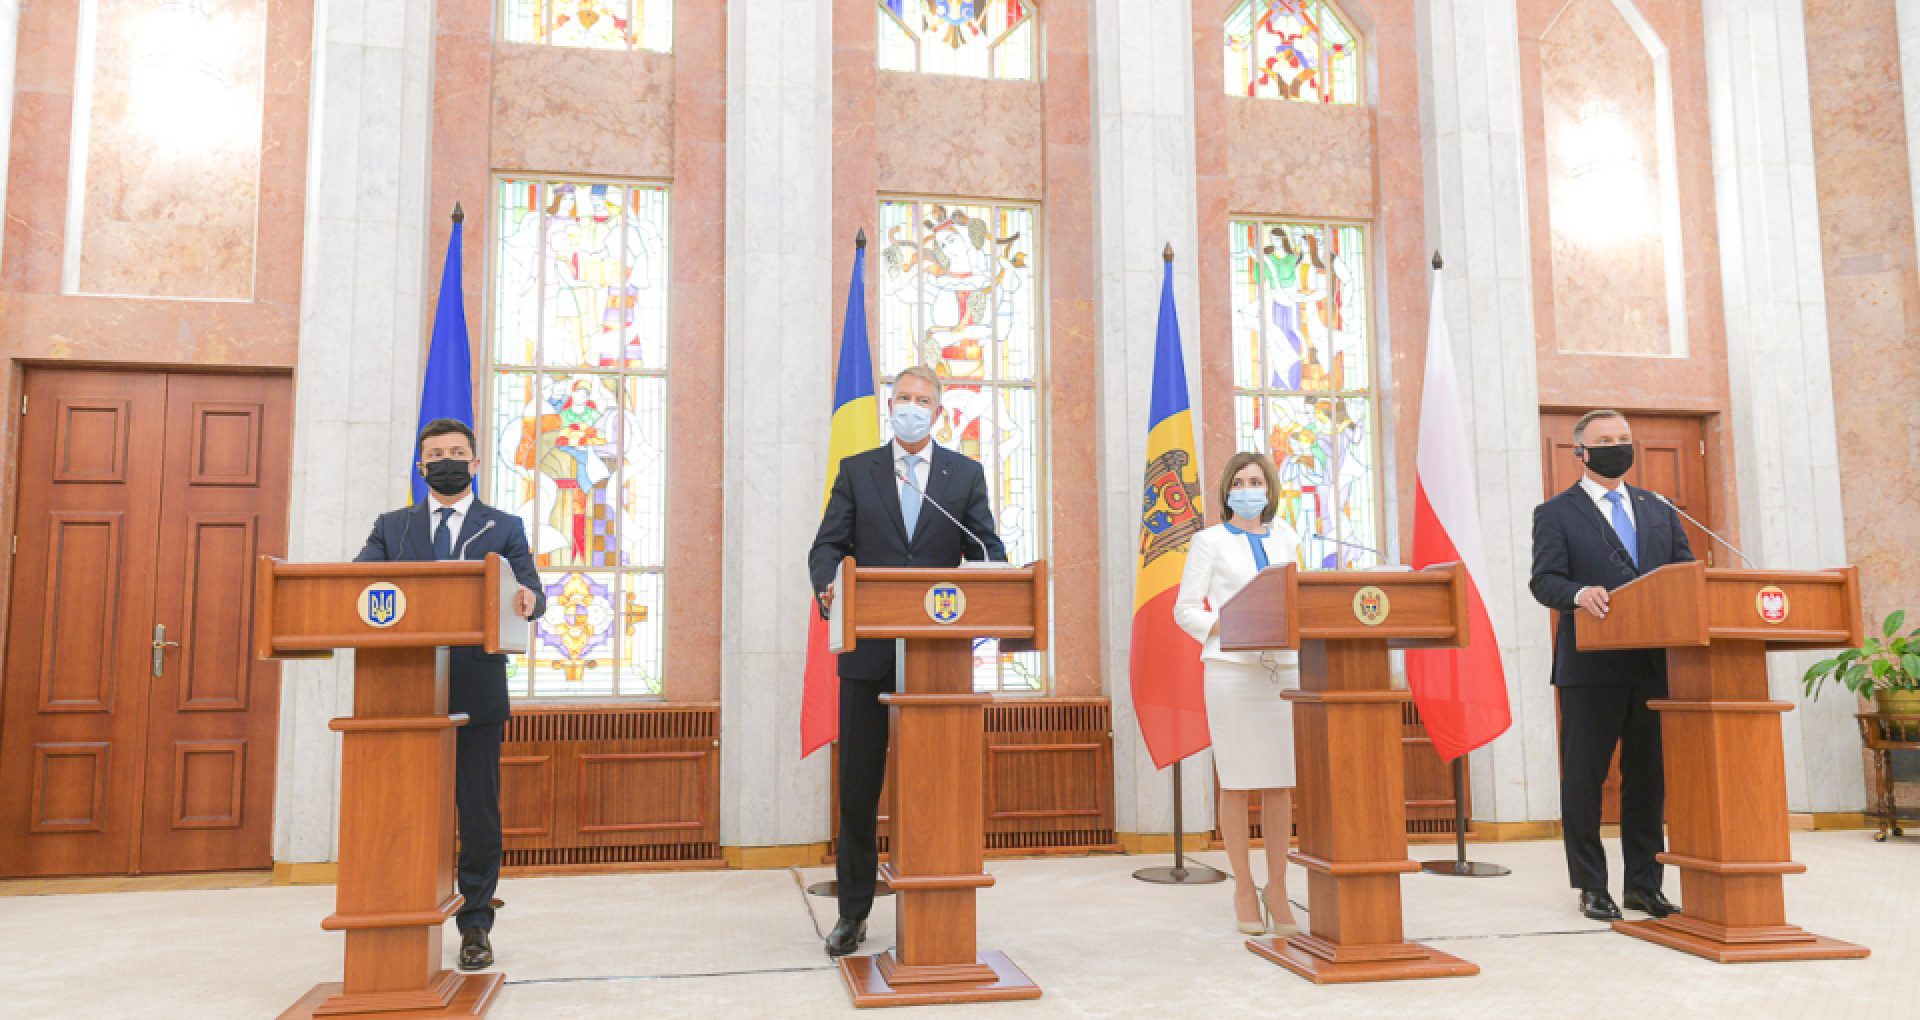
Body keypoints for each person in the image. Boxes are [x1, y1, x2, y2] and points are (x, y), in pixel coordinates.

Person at [806, 365, 1006, 958]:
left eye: (923, 401)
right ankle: (853, 913)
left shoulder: (963, 474)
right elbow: (828, 545)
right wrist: (827, 584)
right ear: (888, 407)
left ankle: (936, 906)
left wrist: (997, 571)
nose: (911, 408)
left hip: (936, 660)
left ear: (938, 413)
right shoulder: (859, 469)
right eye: (903, 399)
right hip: (867, 652)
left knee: (935, 787)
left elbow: (984, 546)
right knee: (860, 790)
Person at [355, 418, 546, 970]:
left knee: (478, 811)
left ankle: (476, 925)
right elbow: (354, 585)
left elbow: (531, 590)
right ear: (420, 465)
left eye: (457, 452)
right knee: (400, 810)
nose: (446, 460)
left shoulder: (503, 526)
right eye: (436, 453)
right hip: (402, 693)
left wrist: (528, 601)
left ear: (476, 463)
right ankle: (401, 916)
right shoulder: (392, 528)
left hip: (476, 690)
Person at [1528, 409, 1691, 922]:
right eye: (1605, 440)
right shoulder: (1556, 513)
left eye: (1624, 438)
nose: (1617, 446)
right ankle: (1592, 886)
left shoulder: (1659, 508)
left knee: (1648, 780)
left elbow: (1685, 574)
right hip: (1590, 667)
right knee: (1585, 778)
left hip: (1653, 667)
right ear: (1581, 450)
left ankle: (1644, 884)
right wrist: (1578, 593)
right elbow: (1544, 581)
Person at [1173, 451, 1303, 936]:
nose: (1250, 489)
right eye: (1241, 481)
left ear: (1269, 489)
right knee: (1237, 778)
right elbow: (1186, 610)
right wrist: (1227, 628)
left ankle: (1277, 886)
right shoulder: (1208, 541)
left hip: (1283, 671)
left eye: (1258, 481)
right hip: (1231, 669)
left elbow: (1297, 596)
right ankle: (1244, 886)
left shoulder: (1287, 535)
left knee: (1279, 781)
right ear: (1228, 489)